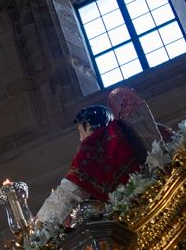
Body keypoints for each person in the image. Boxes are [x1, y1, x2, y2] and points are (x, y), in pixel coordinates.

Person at [33, 87, 169, 227]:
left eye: (80, 132)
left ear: (87, 126)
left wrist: (41, 223)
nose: (81, 138)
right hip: (161, 197)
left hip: (128, 221)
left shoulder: (91, 148)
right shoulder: (129, 130)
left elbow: (71, 190)